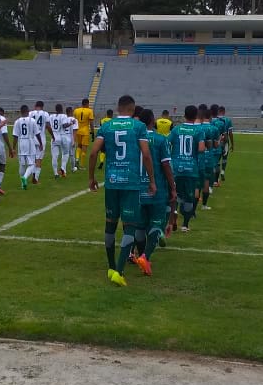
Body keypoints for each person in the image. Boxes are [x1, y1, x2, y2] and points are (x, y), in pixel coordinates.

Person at [87, 95, 156, 287]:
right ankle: (118, 271)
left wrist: (91, 177)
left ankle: (110, 267)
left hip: (112, 181)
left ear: (118, 108)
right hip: (131, 183)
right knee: (130, 226)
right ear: (133, 110)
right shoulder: (138, 127)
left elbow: (93, 153)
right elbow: (146, 154)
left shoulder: (107, 126)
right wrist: (151, 180)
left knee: (110, 224)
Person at [132, 109, 176, 276]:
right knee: (156, 224)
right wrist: (172, 186)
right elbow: (166, 165)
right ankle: (145, 256)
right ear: (152, 121)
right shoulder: (160, 140)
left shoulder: (134, 139)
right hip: (156, 188)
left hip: (137, 188)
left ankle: (140, 254)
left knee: (140, 225)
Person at [170, 105, 206, 234]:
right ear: (196, 116)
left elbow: (168, 143)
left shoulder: (176, 129)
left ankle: (173, 217)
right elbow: (201, 148)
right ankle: (185, 225)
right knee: (189, 197)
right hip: (191, 168)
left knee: (175, 194)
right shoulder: (199, 131)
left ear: (184, 115)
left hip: (176, 167)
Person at [13, 105, 43, 189]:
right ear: (27, 111)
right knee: (32, 164)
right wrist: (40, 143)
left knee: (22, 164)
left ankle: (23, 185)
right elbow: (37, 133)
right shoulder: (32, 120)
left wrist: (13, 148)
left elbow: (15, 136)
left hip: (21, 142)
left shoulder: (17, 121)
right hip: (29, 142)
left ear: (21, 111)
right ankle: (25, 177)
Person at [0, 107, 14, 195]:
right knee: (2, 164)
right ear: (2, 113)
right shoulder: (2, 118)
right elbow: (4, 133)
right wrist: (10, 148)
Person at [28, 101, 50, 184]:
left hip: (32, 138)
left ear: (35, 106)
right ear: (42, 106)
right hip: (41, 138)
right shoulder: (45, 114)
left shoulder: (30, 113)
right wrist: (52, 135)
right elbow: (48, 126)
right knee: (39, 159)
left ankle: (31, 176)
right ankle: (35, 179)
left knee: (33, 159)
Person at [47, 103, 70, 178]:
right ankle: (63, 168)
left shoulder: (51, 116)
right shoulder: (63, 116)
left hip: (54, 136)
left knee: (54, 156)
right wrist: (70, 123)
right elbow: (64, 125)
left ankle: (55, 173)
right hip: (62, 136)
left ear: (55, 109)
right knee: (66, 153)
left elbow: (48, 126)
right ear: (62, 109)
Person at [73, 98, 95, 169]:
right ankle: (81, 165)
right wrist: (92, 131)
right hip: (85, 131)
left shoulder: (76, 110)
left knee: (79, 146)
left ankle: (76, 159)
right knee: (84, 148)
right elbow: (91, 122)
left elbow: (74, 120)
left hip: (78, 130)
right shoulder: (89, 111)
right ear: (87, 104)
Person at [218, 105, 234, 183]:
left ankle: (215, 179)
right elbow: (230, 133)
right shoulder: (228, 120)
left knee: (216, 160)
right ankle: (223, 171)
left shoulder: (215, 120)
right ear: (224, 112)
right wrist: (232, 143)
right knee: (224, 158)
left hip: (216, 142)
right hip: (225, 141)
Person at [65, 106, 80, 173]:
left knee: (64, 154)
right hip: (70, 137)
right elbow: (74, 131)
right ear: (71, 112)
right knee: (72, 154)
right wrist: (73, 141)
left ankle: (63, 168)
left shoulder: (64, 119)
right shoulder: (74, 120)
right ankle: (73, 168)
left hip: (64, 138)